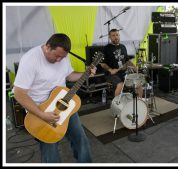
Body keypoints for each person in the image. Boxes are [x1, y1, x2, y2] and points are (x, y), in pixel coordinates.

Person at [13, 33, 94, 163]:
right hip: (40, 111)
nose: (59, 60)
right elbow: (19, 93)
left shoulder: (63, 57)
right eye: (57, 56)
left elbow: (69, 76)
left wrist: (86, 74)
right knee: (50, 149)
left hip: (64, 104)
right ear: (47, 47)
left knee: (80, 139)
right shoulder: (30, 59)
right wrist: (42, 114)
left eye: (62, 57)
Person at [101, 29, 143, 97]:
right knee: (120, 85)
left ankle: (139, 103)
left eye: (117, 35)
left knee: (138, 84)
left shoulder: (123, 47)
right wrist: (110, 70)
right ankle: (117, 105)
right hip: (111, 75)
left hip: (123, 73)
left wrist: (135, 67)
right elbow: (102, 64)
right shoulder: (106, 48)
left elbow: (127, 61)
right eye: (113, 35)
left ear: (119, 36)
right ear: (110, 37)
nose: (116, 37)